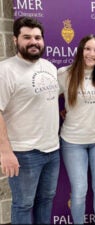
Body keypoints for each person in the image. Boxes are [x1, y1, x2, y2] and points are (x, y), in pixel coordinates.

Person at [0, 17, 60, 224]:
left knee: (46, 201)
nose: (33, 42)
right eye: (27, 37)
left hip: (52, 150)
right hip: (24, 153)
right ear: (15, 40)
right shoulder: (5, 70)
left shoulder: (50, 67)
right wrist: (5, 152)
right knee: (24, 205)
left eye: (37, 37)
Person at [57, 34, 95, 224]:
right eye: (88, 48)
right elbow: (44, 100)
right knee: (79, 190)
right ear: (80, 50)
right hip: (73, 142)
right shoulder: (65, 73)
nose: (91, 53)